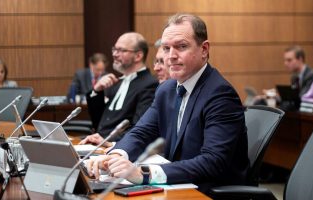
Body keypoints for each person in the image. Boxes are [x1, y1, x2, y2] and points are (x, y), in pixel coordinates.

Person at [85, 13, 249, 194]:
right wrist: (116, 155)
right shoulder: (167, 89)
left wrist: (144, 173)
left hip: (208, 192)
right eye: (166, 48)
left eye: (181, 46)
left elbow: (213, 161)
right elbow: (141, 132)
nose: (170, 56)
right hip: (176, 186)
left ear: (204, 49)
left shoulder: (219, 94)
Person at [81, 32, 159, 137]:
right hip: (98, 144)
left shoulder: (149, 85)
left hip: (118, 148)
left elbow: (139, 128)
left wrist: (108, 143)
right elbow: (98, 122)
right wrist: (97, 91)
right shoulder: (115, 82)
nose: (114, 54)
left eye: (121, 50)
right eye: (114, 49)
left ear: (138, 56)